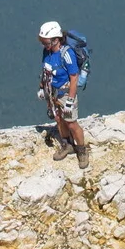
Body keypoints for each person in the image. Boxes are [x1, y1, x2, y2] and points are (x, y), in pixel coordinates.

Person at [38, 21, 89, 169]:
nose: (44, 45)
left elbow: (74, 78)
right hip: (53, 91)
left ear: (56, 39)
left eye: (46, 42)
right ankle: (67, 145)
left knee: (72, 123)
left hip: (66, 93)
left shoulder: (67, 54)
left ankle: (82, 151)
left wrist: (70, 101)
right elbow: (46, 71)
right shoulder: (47, 52)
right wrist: (42, 88)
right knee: (59, 119)